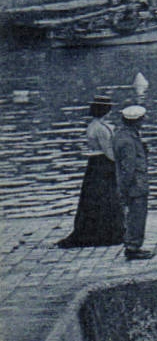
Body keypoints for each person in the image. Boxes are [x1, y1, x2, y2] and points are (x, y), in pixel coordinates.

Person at [58, 95, 123, 247]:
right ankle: (106, 232)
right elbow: (108, 151)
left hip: (94, 164)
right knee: (106, 196)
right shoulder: (100, 128)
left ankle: (96, 229)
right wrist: (119, 161)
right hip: (103, 163)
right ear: (106, 110)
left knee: (94, 197)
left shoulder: (93, 125)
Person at [112, 105, 152, 260]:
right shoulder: (128, 141)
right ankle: (133, 247)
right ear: (136, 121)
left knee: (134, 215)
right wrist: (125, 188)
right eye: (141, 120)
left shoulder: (123, 135)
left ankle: (132, 244)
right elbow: (128, 168)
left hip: (134, 184)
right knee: (137, 216)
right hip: (136, 185)